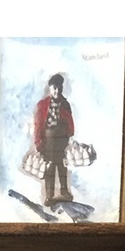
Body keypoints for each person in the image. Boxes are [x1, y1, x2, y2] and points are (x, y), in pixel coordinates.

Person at [33, 73, 74, 207]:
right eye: (54, 88)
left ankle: (64, 191)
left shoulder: (65, 104)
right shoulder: (43, 105)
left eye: (59, 88)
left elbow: (70, 122)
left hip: (62, 140)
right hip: (48, 140)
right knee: (49, 168)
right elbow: (38, 125)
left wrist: (69, 136)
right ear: (50, 88)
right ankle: (49, 196)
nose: (57, 91)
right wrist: (39, 143)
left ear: (62, 88)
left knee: (62, 166)